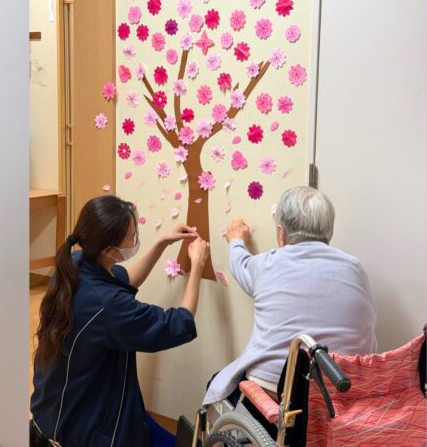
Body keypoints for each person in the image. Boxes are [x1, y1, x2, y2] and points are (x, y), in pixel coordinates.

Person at [30, 195, 209, 447]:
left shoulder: (74, 263)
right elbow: (179, 322)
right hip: (82, 433)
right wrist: (197, 266)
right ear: (110, 251)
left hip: (55, 412)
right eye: (132, 237)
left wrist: (161, 244)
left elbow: (124, 280)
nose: (136, 240)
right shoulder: (109, 305)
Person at [204, 186, 377, 408]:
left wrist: (236, 240)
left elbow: (240, 264)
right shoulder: (355, 269)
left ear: (281, 234)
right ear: (330, 233)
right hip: (343, 393)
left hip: (276, 394)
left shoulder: (267, 264)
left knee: (217, 381)